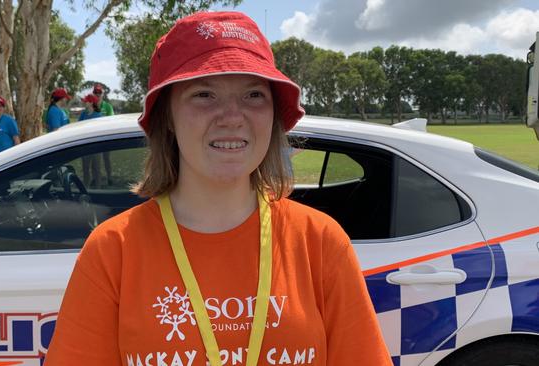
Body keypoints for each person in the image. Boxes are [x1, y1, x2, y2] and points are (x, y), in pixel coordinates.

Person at [45, 11, 391, 366]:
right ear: (166, 118)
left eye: (254, 94)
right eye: (204, 94)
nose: (231, 116)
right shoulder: (112, 250)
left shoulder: (319, 241)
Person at [93, 83, 116, 185]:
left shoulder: (107, 106)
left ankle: (109, 177)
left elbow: (111, 121)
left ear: (103, 94)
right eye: (96, 92)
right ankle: (95, 178)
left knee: (107, 159)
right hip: (93, 138)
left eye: (99, 92)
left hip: (106, 138)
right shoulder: (90, 106)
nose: (98, 94)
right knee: (95, 161)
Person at [78, 94, 103, 187]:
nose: (84, 102)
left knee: (96, 169)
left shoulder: (98, 116)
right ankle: (86, 187)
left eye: (86, 101)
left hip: (96, 147)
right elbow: (78, 126)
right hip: (84, 146)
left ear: (91, 103)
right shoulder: (83, 114)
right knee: (85, 169)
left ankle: (98, 188)